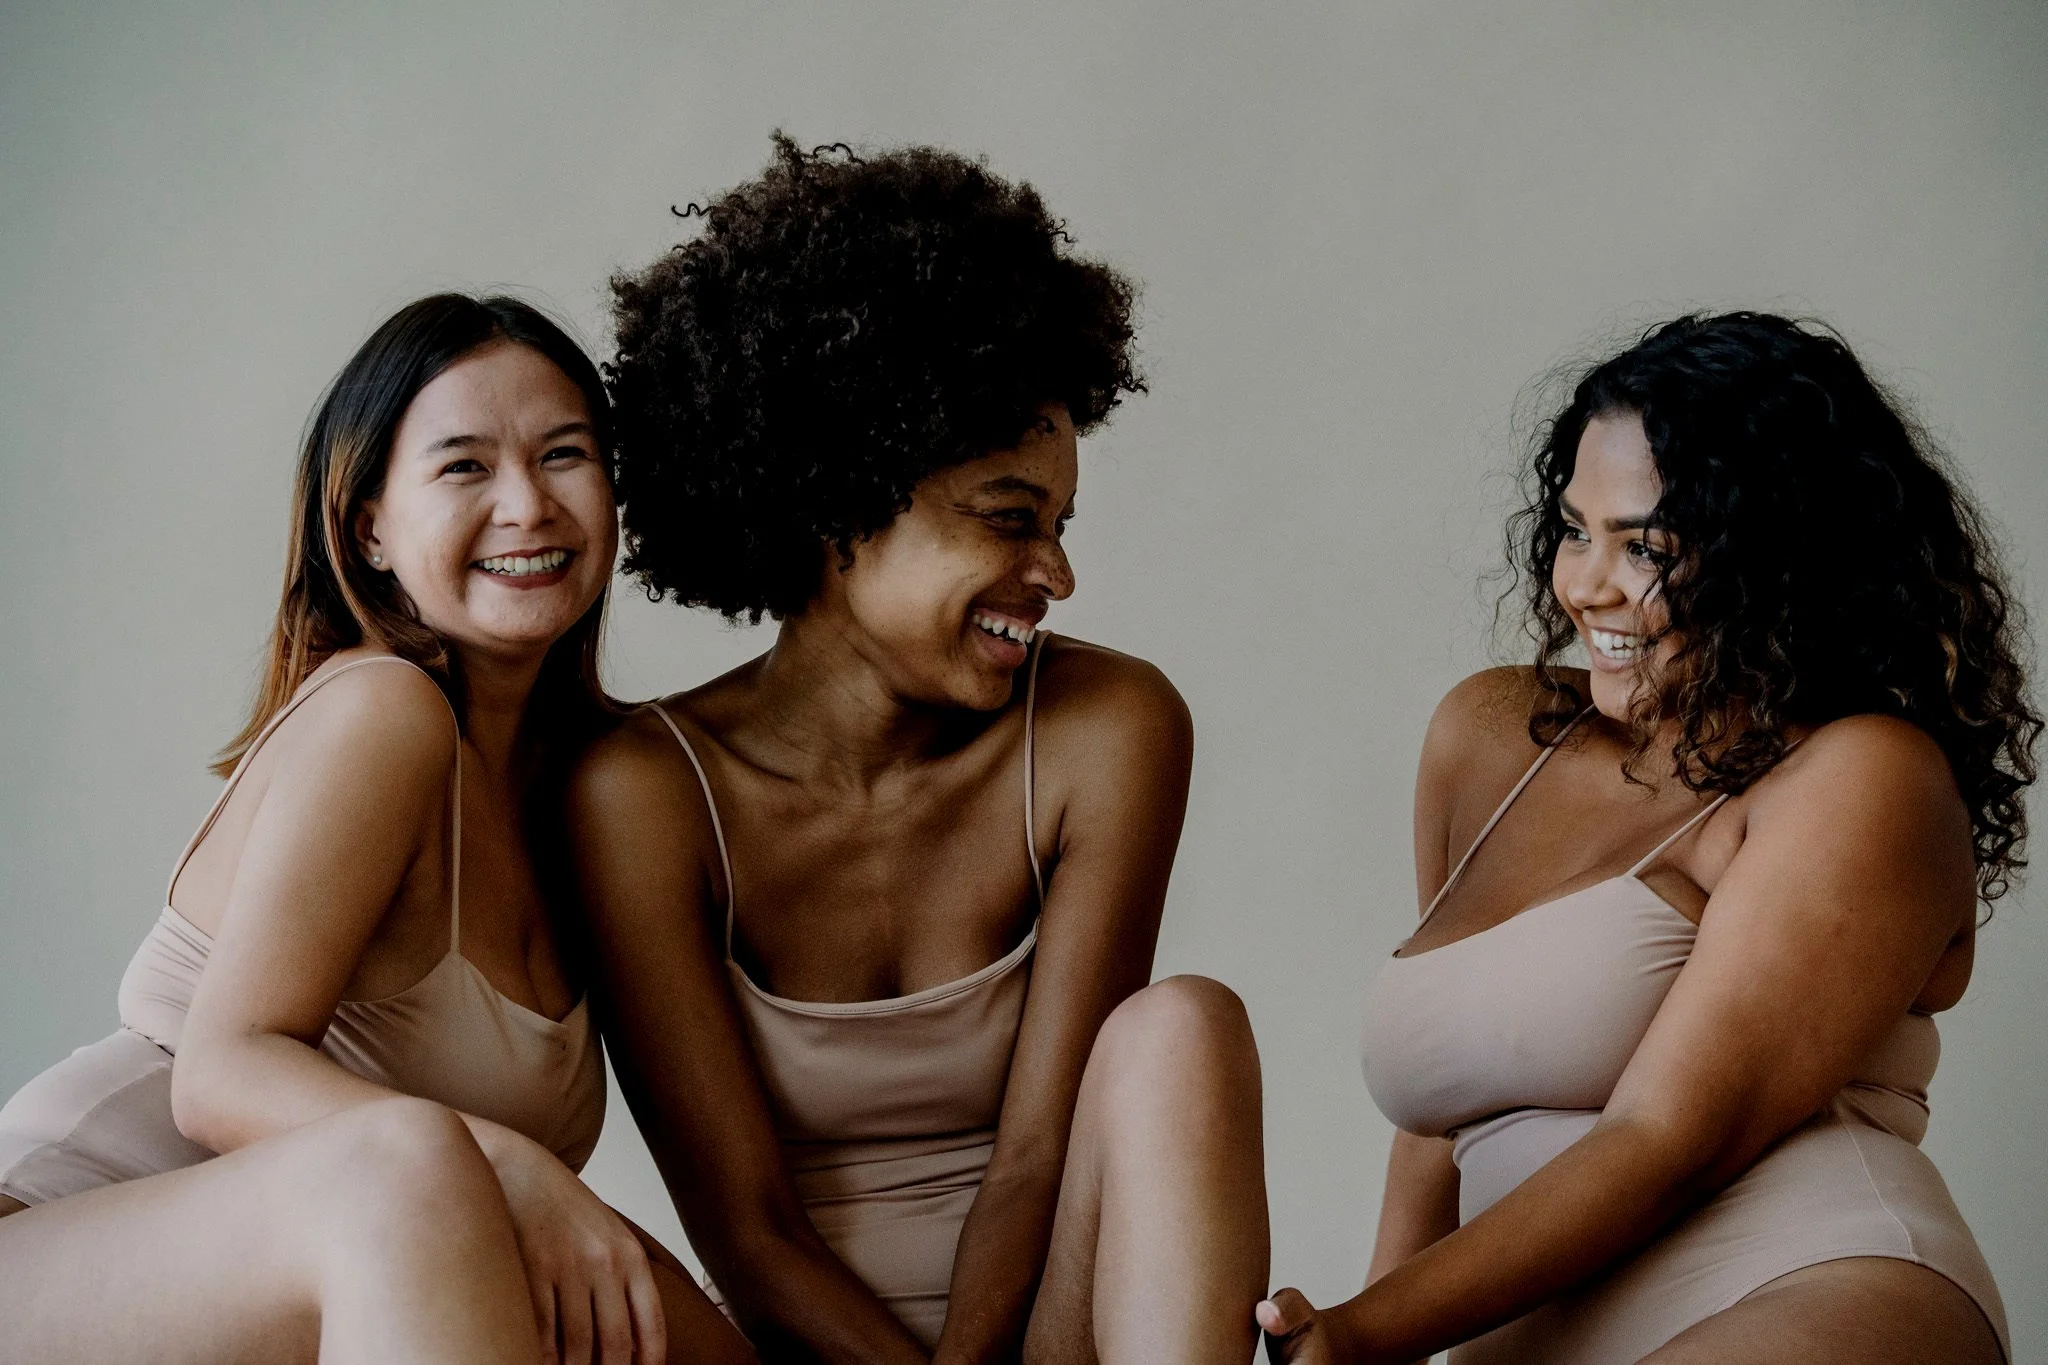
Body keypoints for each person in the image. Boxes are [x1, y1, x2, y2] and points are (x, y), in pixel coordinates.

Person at [571, 136, 1271, 1364]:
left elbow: (1039, 1156)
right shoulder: (641, 792)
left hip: (1056, 1330)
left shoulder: (1106, 728)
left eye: (1057, 525)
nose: (1054, 573)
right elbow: (749, 1232)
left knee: (1182, 1028)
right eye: (1009, 521)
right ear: (837, 507)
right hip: (809, 1350)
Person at [1260, 312, 2032, 1364]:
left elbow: (1670, 1137)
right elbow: (1436, 1125)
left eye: (1646, 547)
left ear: (1783, 557)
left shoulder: (1864, 778)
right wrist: (1374, 1336)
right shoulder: (1490, 735)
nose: (1586, 586)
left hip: (1799, 1287)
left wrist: (1358, 1335)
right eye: (1575, 530)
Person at [0, 294, 744, 1365]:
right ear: (371, 529)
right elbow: (220, 1074)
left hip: (335, 1281)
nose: (527, 505)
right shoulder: (383, 710)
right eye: (464, 466)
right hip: (52, 1265)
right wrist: (519, 1168)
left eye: (564, 454)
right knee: (410, 1161)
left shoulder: (593, 794)